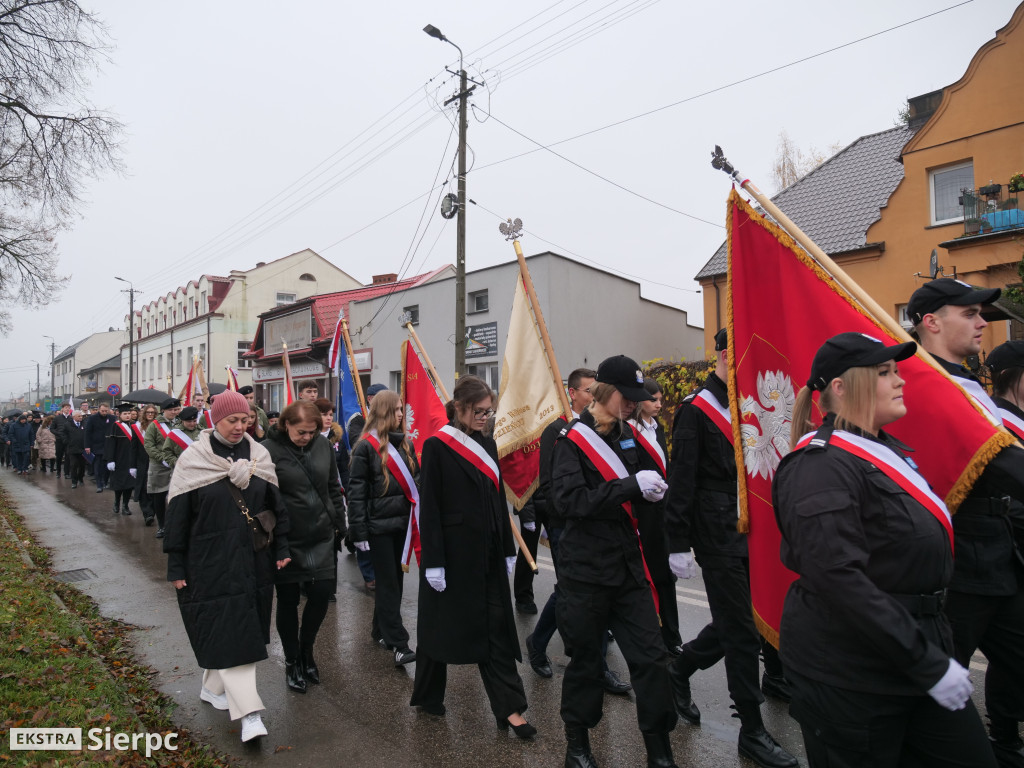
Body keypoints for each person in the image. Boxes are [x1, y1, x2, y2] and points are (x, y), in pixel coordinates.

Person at [773, 331, 995, 768]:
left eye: (896, 371)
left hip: (914, 650)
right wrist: (923, 659)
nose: (900, 381)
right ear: (840, 387)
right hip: (853, 673)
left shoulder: (883, 450)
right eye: (884, 373)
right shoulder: (819, 465)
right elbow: (837, 577)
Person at [665, 329, 797, 768]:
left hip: (755, 528)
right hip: (715, 531)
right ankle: (752, 731)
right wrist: (677, 542)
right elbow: (681, 481)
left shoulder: (752, 402)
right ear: (723, 354)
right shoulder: (696, 410)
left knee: (742, 621)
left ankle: (680, 668)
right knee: (741, 630)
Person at [909, 279, 1024, 766]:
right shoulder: (924, 384)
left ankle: (1005, 740)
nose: (982, 324)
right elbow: (1002, 463)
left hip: (1001, 549)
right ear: (931, 322)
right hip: (956, 560)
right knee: (941, 683)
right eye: (971, 313)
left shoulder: (969, 383)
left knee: (1018, 660)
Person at [551, 355, 679, 768]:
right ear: (606, 391)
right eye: (629, 396)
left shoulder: (627, 435)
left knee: (651, 659)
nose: (634, 404)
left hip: (627, 566)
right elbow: (569, 502)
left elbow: (638, 487)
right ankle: (577, 745)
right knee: (587, 662)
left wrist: (651, 493)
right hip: (586, 570)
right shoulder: (570, 440)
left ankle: (659, 750)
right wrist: (628, 487)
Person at [410, 375, 535, 739]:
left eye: (488, 411)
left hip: (489, 553)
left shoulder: (488, 444)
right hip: (451, 557)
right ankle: (429, 695)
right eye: (479, 411)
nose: (484, 417)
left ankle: (509, 709)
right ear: (460, 409)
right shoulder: (437, 446)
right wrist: (433, 560)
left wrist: (508, 551)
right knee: (438, 629)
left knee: (495, 628)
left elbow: (499, 501)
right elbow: (429, 506)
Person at [164, 389, 290, 743]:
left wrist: (283, 546)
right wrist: (176, 565)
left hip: (253, 561)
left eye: (245, 420)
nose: (239, 426)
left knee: (239, 630)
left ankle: (211, 687)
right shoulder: (194, 460)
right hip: (208, 563)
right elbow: (178, 520)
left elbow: (276, 508)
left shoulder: (259, 455)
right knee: (234, 635)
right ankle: (249, 714)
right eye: (232, 420)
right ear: (214, 420)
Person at [526, 367, 630, 694]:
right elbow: (548, 488)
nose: (594, 396)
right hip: (568, 529)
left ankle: (542, 643)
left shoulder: (604, 427)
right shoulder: (556, 430)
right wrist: (565, 521)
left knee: (589, 594)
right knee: (573, 593)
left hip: (601, 528)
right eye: (588, 390)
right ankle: (561, 652)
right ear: (573, 393)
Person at [263, 399, 347, 694]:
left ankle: (307, 650)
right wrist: (277, 540)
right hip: (287, 538)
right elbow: (264, 501)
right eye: (301, 432)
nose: (307, 437)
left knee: (322, 594)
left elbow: (333, 486)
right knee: (287, 601)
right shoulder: (268, 451)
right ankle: (291, 659)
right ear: (285, 424)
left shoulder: (323, 446)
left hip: (322, 534)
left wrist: (341, 522)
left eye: (312, 432)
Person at [348, 390, 419, 665]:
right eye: (397, 410)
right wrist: (359, 532)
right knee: (388, 584)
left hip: (402, 525)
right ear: (384, 412)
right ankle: (399, 643)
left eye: (402, 409)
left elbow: (417, 481)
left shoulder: (406, 445)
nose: (402, 414)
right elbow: (356, 493)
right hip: (378, 528)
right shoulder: (365, 446)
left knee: (395, 583)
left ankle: (379, 629)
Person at [628, 377, 682, 655]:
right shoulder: (628, 431)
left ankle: (672, 635)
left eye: (661, 399)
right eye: (653, 400)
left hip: (661, 509)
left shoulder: (656, 427)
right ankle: (657, 634)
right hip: (643, 512)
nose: (659, 404)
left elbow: (666, 466)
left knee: (666, 573)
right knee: (651, 574)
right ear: (639, 401)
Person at [146, 398, 181, 539]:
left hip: (177, 465)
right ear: (163, 411)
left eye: (176, 409)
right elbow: (149, 445)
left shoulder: (179, 423)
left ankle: (175, 525)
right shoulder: (154, 426)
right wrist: (162, 458)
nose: (174, 412)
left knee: (177, 497)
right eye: (171, 410)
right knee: (159, 496)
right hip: (159, 465)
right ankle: (162, 525)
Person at [104, 404, 138, 516]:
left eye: (129, 413)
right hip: (119, 459)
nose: (128, 416)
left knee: (129, 484)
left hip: (131, 459)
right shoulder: (115, 426)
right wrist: (110, 459)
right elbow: (110, 444)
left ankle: (125, 505)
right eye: (125, 414)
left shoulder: (134, 426)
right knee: (119, 484)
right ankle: (116, 502)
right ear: (120, 415)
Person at [133, 405, 157, 525]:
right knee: (143, 487)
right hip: (142, 461)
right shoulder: (137, 427)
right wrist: (132, 466)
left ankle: (152, 511)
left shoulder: (159, 426)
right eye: (148, 412)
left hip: (156, 460)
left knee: (154, 486)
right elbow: (133, 448)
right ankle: (147, 513)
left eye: (152, 412)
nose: (150, 414)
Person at [84, 403, 114, 491]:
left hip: (108, 445)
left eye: (106, 411)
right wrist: (87, 446)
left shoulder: (112, 418)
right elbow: (87, 433)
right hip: (96, 445)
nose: (104, 413)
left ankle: (105, 481)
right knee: (97, 466)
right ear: (99, 410)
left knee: (106, 466)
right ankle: (99, 484)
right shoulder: (92, 418)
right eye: (102, 411)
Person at [347, 382, 386, 447]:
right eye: (381, 399)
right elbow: (356, 442)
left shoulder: (390, 417)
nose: (385, 402)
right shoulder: (358, 419)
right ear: (369, 399)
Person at [65, 411, 87, 488]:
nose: (81, 417)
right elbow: (63, 434)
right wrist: (68, 442)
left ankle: (80, 478)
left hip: (82, 448)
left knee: (82, 465)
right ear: (73, 417)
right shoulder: (68, 424)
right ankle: (74, 481)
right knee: (73, 465)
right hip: (72, 448)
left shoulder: (85, 424)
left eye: (81, 416)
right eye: (79, 416)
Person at [52, 403, 73, 478]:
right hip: (59, 440)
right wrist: (58, 433)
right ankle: (58, 472)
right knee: (59, 456)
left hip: (68, 440)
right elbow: (52, 428)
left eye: (69, 408)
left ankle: (66, 473)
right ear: (62, 409)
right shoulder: (57, 418)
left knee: (68, 457)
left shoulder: (71, 418)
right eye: (66, 407)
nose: (67, 409)